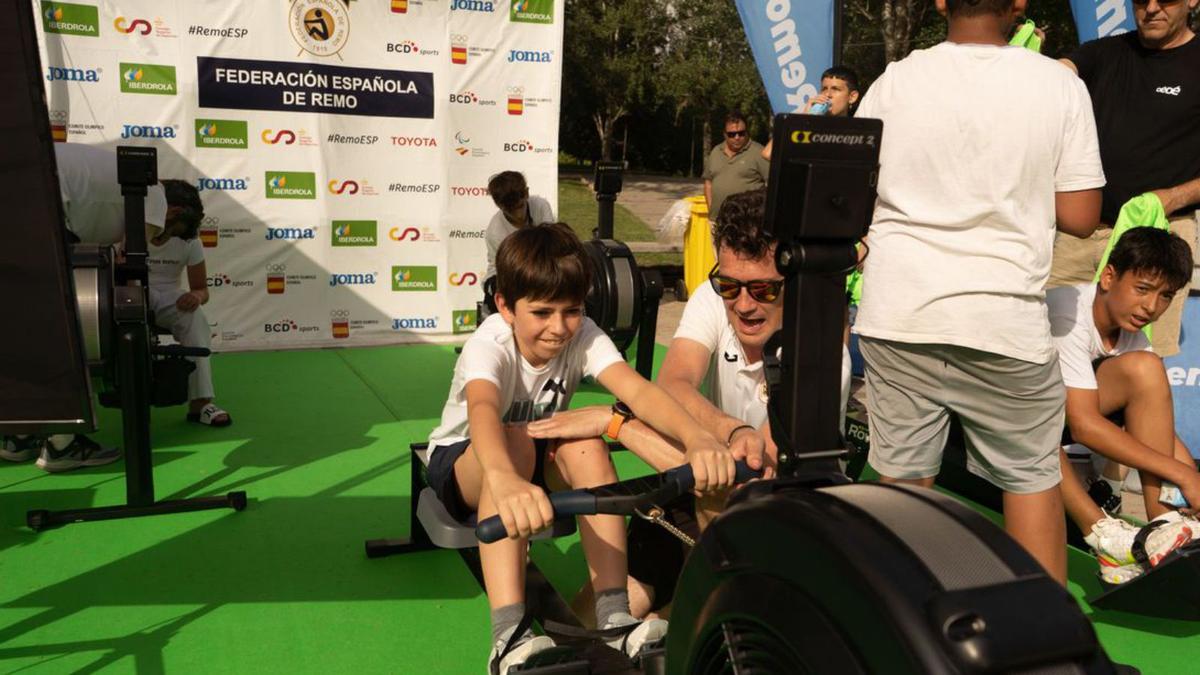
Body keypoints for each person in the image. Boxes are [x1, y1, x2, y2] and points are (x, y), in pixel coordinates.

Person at [423, 222, 759, 674]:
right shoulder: (490, 343)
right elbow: (483, 408)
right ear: (505, 305)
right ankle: (507, 638)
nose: (559, 328)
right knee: (512, 441)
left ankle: (614, 615)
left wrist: (698, 437)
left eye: (571, 311)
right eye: (541, 313)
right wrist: (502, 478)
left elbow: (638, 392)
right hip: (466, 462)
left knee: (587, 444)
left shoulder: (583, 334)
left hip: (531, 452)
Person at [853, 0, 1105, 585]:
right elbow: (1081, 213)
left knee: (903, 484)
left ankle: (900, 637)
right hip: (1002, 318)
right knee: (1030, 475)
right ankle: (1048, 649)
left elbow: (852, 192)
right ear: (1018, 4)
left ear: (941, 2)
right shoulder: (1057, 85)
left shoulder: (895, 81)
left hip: (900, 312)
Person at [623, 188, 851, 617]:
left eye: (763, 289)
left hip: (781, 511)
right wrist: (731, 429)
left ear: (792, 276)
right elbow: (673, 382)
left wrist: (618, 425)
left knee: (690, 626)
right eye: (731, 285)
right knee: (614, 607)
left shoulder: (818, 342)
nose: (743, 304)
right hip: (706, 480)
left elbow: (754, 462)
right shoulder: (713, 295)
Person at [1048, 228, 1198, 584]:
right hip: (1003, 420)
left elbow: (1156, 427)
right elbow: (1083, 425)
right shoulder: (1066, 313)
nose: (1152, 307)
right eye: (1143, 289)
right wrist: (1183, 475)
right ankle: (1106, 540)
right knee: (1034, 420)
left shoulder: (1131, 330)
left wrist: (1190, 483)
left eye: (1165, 296)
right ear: (1109, 276)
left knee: (1146, 370)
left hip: (1061, 414)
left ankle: (1163, 527)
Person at [1053, 0, 1200, 358]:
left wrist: (1174, 197)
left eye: (1165, 0)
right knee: (1047, 353)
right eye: (1139, 0)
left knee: (1135, 364)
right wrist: (1018, 64)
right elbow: (1054, 76)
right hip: (1079, 237)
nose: (1150, 9)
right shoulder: (1104, 52)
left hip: (1158, 237)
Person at [147, 180, 230, 427]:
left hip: (168, 297)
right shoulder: (129, 229)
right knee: (136, 296)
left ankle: (201, 404)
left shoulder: (190, 241)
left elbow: (201, 289)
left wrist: (196, 297)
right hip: (131, 293)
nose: (172, 235)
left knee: (195, 318)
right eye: (172, 227)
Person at [762, 65, 862, 161]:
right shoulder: (810, 129)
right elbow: (768, 154)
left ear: (852, 97)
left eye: (835, 89)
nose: (828, 94)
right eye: (824, 89)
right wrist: (804, 118)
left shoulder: (860, 133)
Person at [483, 171, 555, 282]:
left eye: (520, 206)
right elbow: (510, 269)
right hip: (506, 275)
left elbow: (551, 245)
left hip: (541, 266)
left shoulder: (541, 206)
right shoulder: (495, 232)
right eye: (510, 210)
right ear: (499, 205)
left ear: (526, 193)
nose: (519, 216)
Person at [703, 112, 769, 218]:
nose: (737, 137)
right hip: (717, 221)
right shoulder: (716, 151)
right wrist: (711, 209)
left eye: (741, 133)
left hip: (746, 223)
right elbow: (708, 182)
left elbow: (773, 185)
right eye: (732, 134)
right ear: (724, 134)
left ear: (747, 132)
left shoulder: (759, 152)